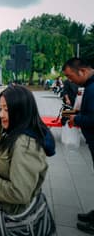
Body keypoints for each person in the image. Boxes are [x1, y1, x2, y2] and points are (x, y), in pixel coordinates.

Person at [0, 85, 55, 236]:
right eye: (0, 109)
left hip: (9, 224)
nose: (1, 115)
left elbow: (19, 192)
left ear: (21, 111)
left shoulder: (25, 143)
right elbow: (5, 173)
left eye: (7, 110)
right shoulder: (13, 132)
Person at [62, 57, 94, 234]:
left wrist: (77, 119)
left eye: (70, 76)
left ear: (82, 71)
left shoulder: (92, 89)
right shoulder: (88, 87)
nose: (69, 80)